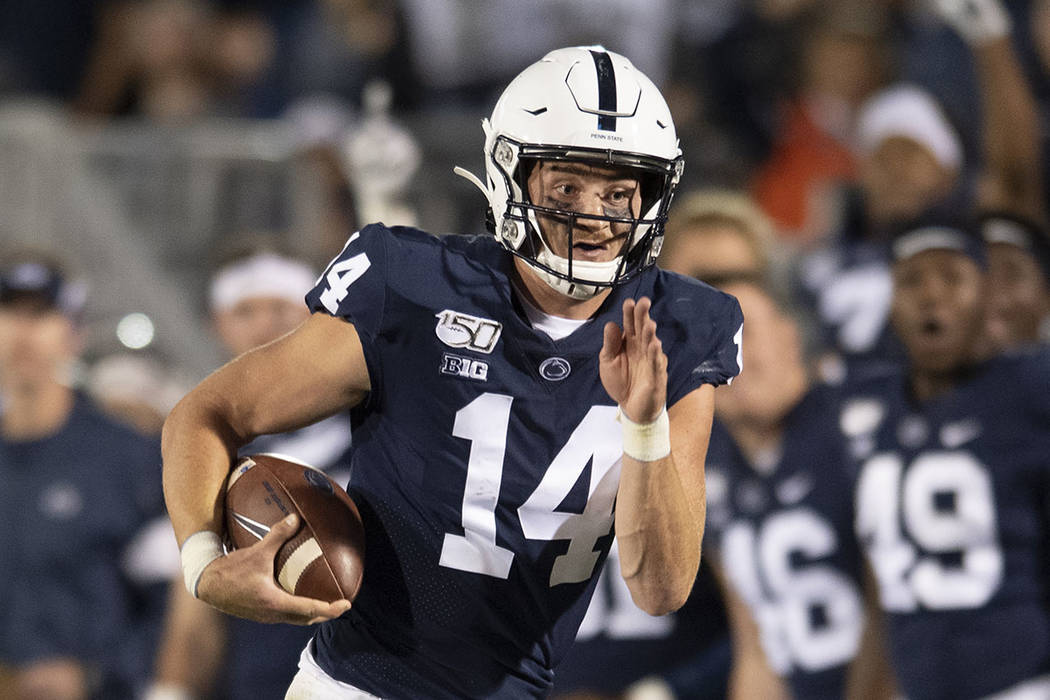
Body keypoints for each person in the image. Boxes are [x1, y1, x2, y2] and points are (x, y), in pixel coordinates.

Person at [161, 45, 743, 699]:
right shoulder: (413, 287)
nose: (593, 217)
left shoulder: (677, 326)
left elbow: (659, 587)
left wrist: (643, 428)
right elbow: (208, 413)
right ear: (510, 178)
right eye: (567, 188)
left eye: (617, 192)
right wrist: (205, 565)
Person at [846, 217, 1050, 698]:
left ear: (987, 294)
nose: (930, 296)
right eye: (911, 280)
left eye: (951, 278)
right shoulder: (863, 408)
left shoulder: (1031, 390)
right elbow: (882, 580)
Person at [150, 238, 353, 700]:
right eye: (245, 311)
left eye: (281, 307)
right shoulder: (201, 448)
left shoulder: (377, 426)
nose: (264, 325)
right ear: (217, 324)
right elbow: (194, 608)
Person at [702, 279, 895, 700]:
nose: (728, 357)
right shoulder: (709, 466)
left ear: (789, 336)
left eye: (743, 333)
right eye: (706, 342)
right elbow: (755, 648)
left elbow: (900, 606)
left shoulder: (858, 427)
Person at [0, 249, 166, 699]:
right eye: (9, 311)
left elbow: (175, 604)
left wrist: (97, 675)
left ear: (75, 333)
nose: (23, 331)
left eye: (42, 313)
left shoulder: (128, 456)